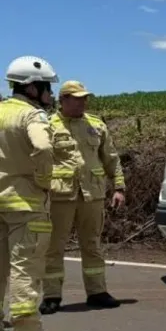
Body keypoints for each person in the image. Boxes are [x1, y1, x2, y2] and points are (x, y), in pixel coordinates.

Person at [0, 55, 69, 331]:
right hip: (25, 206)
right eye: (46, 89)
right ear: (31, 88)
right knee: (25, 270)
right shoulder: (32, 116)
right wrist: (43, 180)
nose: (50, 95)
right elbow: (42, 147)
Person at [40, 80, 125, 314]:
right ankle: (52, 296)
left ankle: (97, 292)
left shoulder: (96, 125)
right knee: (53, 247)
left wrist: (119, 187)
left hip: (92, 195)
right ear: (63, 100)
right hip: (60, 196)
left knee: (92, 245)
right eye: (77, 98)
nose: (83, 102)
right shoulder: (47, 125)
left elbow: (111, 158)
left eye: (85, 98)